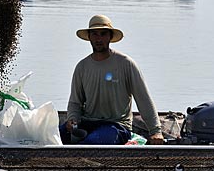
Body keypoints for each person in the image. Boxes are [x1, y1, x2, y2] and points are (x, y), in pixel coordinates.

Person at [60, 14, 165, 145]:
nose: (99, 39)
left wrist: (155, 131)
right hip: (87, 122)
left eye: (103, 34)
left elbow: (143, 99)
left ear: (110, 37)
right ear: (89, 37)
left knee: (92, 144)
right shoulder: (82, 67)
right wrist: (72, 120)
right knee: (52, 137)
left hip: (116, 125)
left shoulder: (126, 64)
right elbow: (75, 102)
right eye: (95, 34)